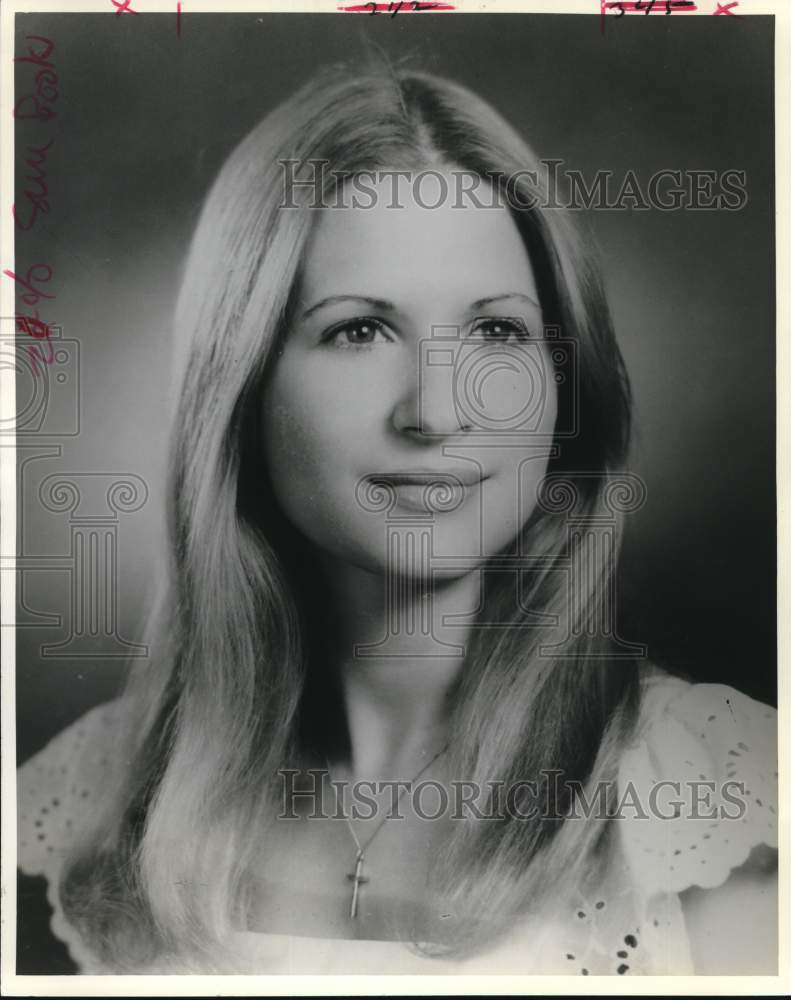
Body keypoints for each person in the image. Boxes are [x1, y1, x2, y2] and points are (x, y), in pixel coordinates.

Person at [17, 63, 777, 976]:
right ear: (243, 383)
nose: (437, 411)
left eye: (495, 331)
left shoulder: (717, 799)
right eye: (359, 330)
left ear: (563, 384)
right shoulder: (92, 798)